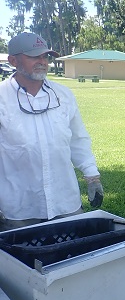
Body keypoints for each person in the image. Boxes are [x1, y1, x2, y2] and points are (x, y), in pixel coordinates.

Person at [0, 32, 104, 227]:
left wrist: (92, 177)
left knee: (73, 245)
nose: (42, 62)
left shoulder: (63, 95)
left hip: (64, 201)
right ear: (13, 61)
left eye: (45, 56)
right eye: (33, 56)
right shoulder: (2, 97)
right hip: (19, 207)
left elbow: (78, 139)